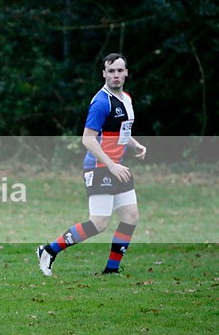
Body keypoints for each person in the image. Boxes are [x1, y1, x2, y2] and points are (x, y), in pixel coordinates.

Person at [36, 53, 147, 276]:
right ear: (104, 73)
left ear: (126, 72)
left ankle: (111, 271)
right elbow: (88, 139)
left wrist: (134, 145)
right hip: (99, 168)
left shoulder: (126, 98)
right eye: (111, 71)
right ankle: (49, 250)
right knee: (98, 223)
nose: (116, 75)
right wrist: (111, 165)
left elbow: (119, 129)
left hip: (118, 166)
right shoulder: (100, 102)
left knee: (131, 216)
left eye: (119, 71)